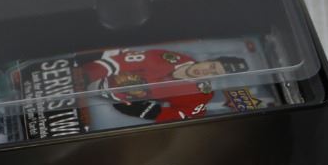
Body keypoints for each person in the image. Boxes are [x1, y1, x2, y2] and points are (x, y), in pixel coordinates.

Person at [76, 47, 251, 124]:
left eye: (214, 73)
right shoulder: (172, 57)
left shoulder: (202, 95)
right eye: (211, 66)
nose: (207, 72)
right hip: (102, 70)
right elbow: (123, 62)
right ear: (208, 61)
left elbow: (184, 115)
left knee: (130, 90)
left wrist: (146, 110)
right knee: (115, 55)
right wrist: (87, 74)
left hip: (121, 97)